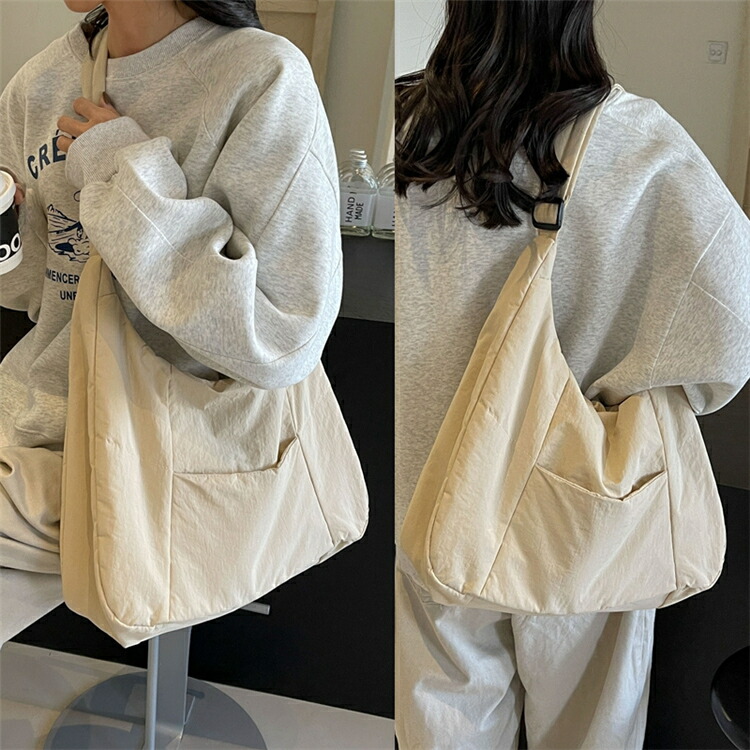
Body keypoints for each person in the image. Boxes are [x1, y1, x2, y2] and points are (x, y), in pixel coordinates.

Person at [394, 1, 750, 747]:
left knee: (446, 724)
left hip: (434, 494)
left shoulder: (414, 128)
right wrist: (649, 380)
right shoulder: (637, 140)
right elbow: (733, 317)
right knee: (589, 732)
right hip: (584, 503)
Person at [0, 0, 341, 642]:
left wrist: (120, 168)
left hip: (164, 451)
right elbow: (30, 292)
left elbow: (280, 338)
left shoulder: (262, 78)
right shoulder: (39, 84)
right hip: (36, 427)